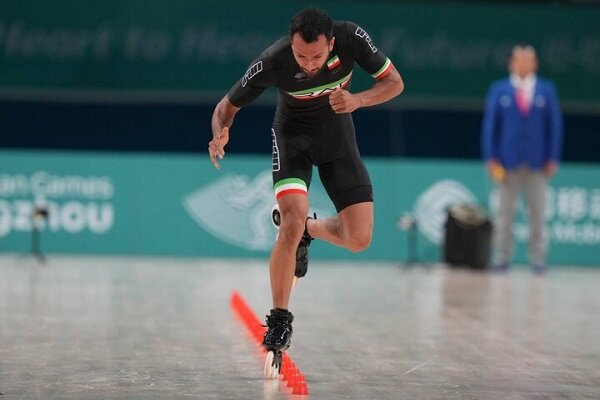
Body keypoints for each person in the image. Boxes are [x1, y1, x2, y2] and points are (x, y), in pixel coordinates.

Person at [208, 8, 404, 375]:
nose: (309, 65)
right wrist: (220, 133)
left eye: (316, 57)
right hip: (292, 140)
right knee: (291, 221)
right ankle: (279, 319)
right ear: (291, 46)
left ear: (331, 44)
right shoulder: (273, 61)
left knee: (359, 238)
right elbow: (225, 107)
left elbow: (395, 83)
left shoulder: (351, 38)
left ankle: (307, 231)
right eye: (301, 56)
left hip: (338, 141)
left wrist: (358, 100)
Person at [481, 44, 563, 275]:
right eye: (520, 60)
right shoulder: (500, 90)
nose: (525, 64)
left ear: (535, 64)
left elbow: (554, 126)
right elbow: (490, 126)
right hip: (507, 162)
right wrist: (491, 157)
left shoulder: (546, 90)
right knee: (504, 214)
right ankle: (501, 257)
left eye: (529, 60)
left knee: (538, 213)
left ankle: (538, 259)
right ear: (512, 63)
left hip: (537, 162)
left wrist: (553, 157)